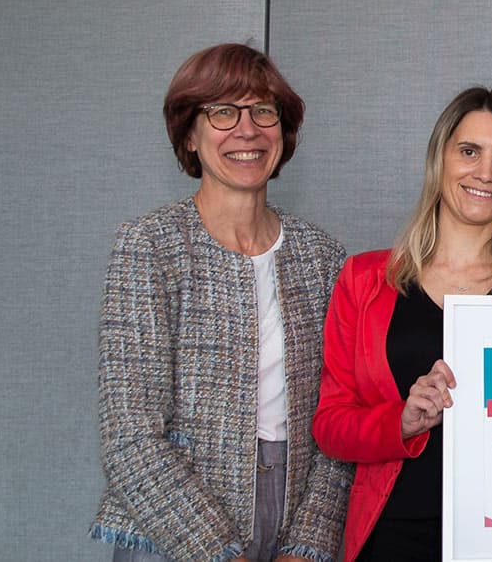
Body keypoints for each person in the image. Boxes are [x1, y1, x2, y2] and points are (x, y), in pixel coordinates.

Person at [91, 43, 347, 562]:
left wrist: (308, 544)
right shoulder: (151, 245)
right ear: (190, 132)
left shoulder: (323, 256)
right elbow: (130, 435)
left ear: (283, 129)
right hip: (171, 521)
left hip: (290, 517)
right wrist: (215, 551)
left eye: (263, 111)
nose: (247, 130)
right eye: (223, 112)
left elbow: (338, 420)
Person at [314, 87, 492, 562]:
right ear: (440, 159)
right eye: (469, 151)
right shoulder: (364, 279)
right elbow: (330, 425)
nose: (485, 173)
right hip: (392, 535)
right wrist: (402, 419)